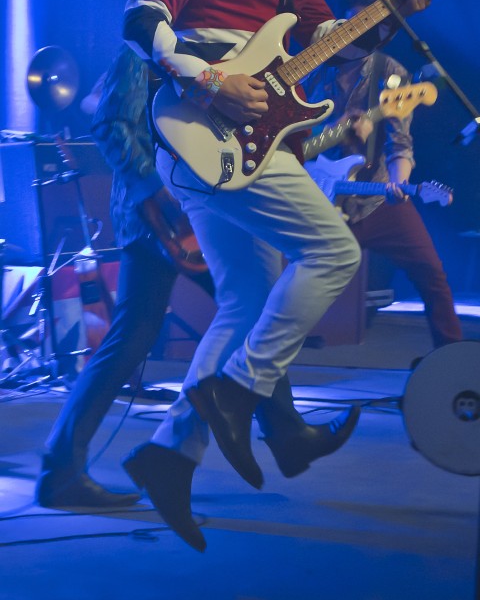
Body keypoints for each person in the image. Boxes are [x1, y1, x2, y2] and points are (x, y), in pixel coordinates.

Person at [119, 0, 438, 551]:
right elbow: (141, 18)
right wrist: (209, 80)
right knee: (334, 252)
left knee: (247, 298)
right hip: (201, 125)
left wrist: (393, 12)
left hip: (243, 148)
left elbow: (331, 42)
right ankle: (239, 393)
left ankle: (169, 455)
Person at [35, 44, 359, 509]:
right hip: (158, 217)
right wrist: (155, 192)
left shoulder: (221, 51)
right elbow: (108, 122)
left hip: (196, 209)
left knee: (252, 308)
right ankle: (63, 468)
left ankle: (284, 432)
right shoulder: (150, 45)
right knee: (220, 316)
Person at [303, 0, 462, 349]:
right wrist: (329, 130)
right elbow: (284, 132)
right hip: (314, 196)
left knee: (431, 272)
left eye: (370, 25)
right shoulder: (313, 67)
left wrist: (398, 183)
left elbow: (400, 144)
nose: (362, 33)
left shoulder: (390, 73)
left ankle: (452, 359)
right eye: (354, 25)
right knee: (288, 277)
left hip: (373, 197)